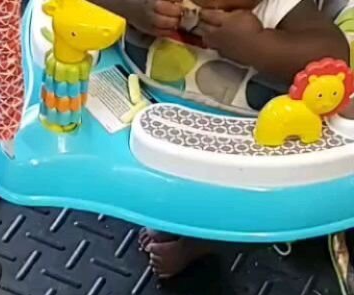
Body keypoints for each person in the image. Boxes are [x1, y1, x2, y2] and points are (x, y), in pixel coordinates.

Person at [93, 0, 351, 276]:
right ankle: (169, 217)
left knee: (235, 199)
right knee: (163, 181)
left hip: (245, 134)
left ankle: (200, 242)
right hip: (149, 103)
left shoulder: (279, 6)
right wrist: (134, 8)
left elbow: (333, 52)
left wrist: (259, 45)